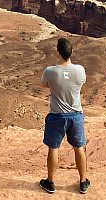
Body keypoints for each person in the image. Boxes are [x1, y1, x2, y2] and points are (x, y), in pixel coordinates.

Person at [39, 37, 89, 194]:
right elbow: (81, 83)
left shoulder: (51, 71)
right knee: (79, 147)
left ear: (58, 53)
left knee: (53, 148)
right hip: (76, 116)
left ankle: (50, 182)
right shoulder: (80, 70)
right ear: (71, 52)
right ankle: (83, 182)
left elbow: (45, 84)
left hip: (57, 116)